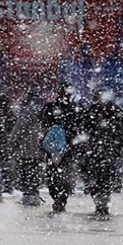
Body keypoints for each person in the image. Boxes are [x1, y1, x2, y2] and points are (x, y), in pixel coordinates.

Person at [39, 82, 83, 214]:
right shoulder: (72, 109)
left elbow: (42, 123)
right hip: (63, 149)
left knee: (55, 175)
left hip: (56, 149)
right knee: (61, 176)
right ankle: (60, 199)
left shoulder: (52, 107)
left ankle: (59, 199)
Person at [81, 88, 123, 218]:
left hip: (107, 152)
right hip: (94, 152)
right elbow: (84, 129)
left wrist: (117, 148)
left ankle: (103, 204)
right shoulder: (92, 111)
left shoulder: (114, 111)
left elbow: (120, 132)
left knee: (105, 179)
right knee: (94, 179)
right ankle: (98, 203)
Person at [12, 90, 45, 205]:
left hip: (26, 149)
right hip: (38, 148)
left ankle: (28, 195)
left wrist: (13, 141)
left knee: (25, 172)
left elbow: (18, 130)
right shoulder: (41, 112)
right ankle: (35, 194)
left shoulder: (26, 112)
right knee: (35, 172)